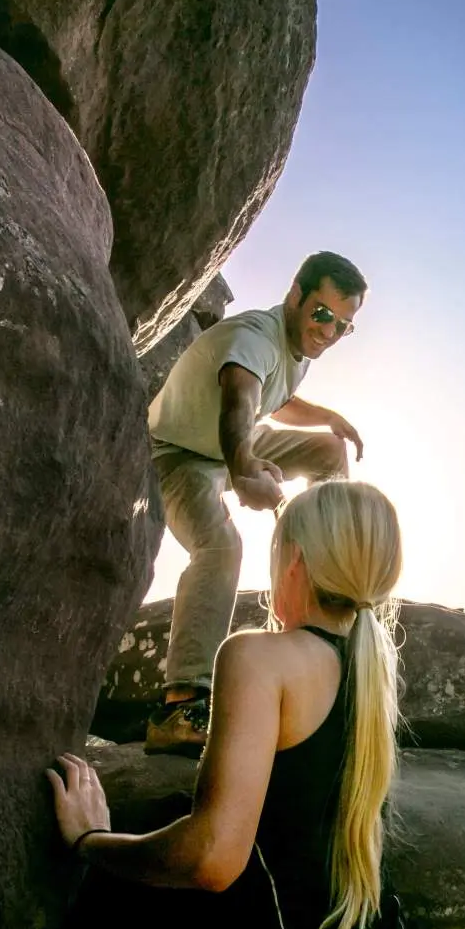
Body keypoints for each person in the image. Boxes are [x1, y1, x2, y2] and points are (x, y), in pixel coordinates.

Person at [42, 479, 421, 929]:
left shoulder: (259, 657)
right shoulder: (371, 676)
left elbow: (213, 858)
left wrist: (90, 840)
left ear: (295, 561)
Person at [143, 251, 370, 756]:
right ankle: (180, 705)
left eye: (342, 325)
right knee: (221, 547)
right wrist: (245, 471)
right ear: (295, 294)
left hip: (231, 444)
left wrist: (328, 418)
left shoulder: (296, 348)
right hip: (179, 454)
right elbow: (240, 401)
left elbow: (275, 398)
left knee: (328, 452)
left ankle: (324, 579)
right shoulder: (255, 337)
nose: (328, 332)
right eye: (322, 314)